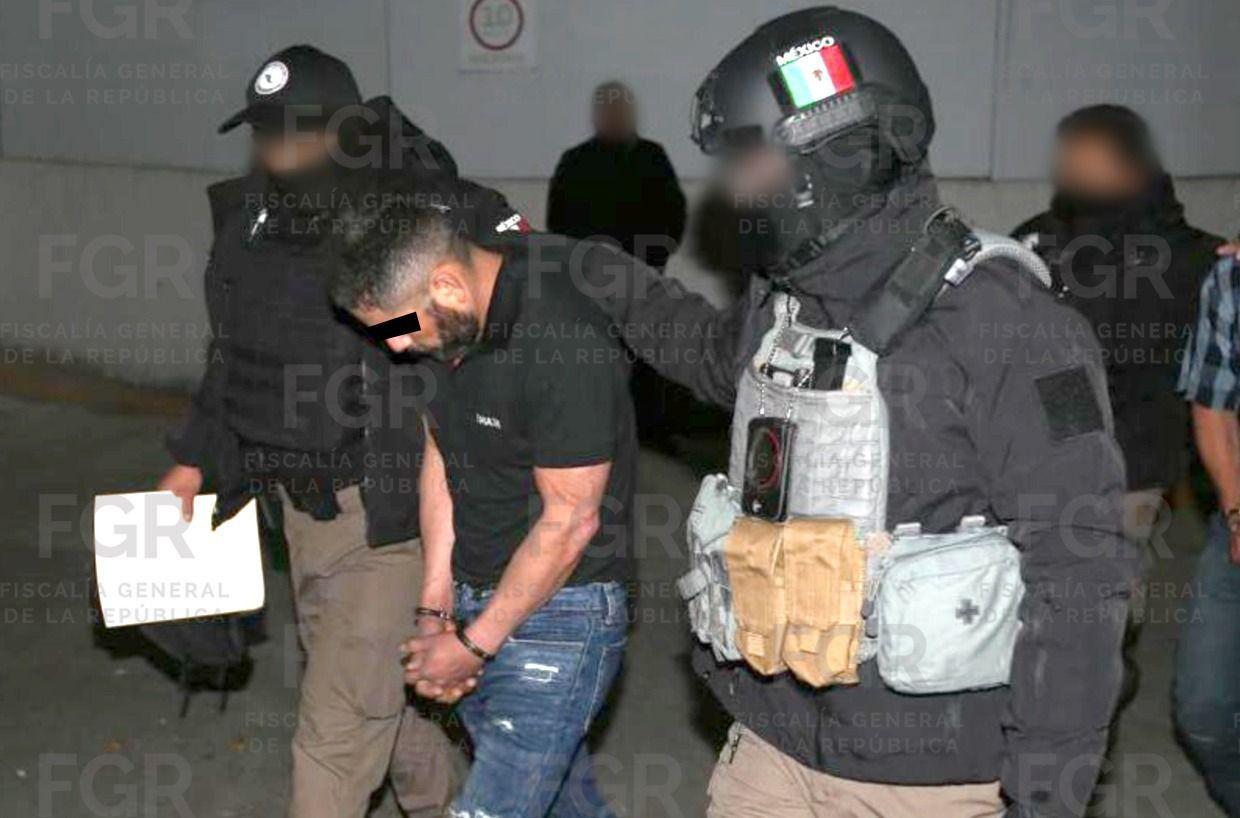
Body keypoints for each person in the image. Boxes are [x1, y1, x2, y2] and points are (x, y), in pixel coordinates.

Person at [579, 8, 1140, 816]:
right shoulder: (787, 303)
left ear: (836, 155)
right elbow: (705, 354)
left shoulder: (1009, 325)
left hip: (926, 782)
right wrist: (588, 270)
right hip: (773, 745)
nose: (735, 188)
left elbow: (1081, 571)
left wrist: (1046, 792)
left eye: (752, 159)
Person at [156, 44, 520, 818]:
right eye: (265, 133)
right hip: (297, 515)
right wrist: (191, 461)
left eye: (294, 133)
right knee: (393, 708)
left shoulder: (407, 216)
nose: (276, 150)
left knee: (335, 738)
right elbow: (232, 354)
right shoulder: (257, 221)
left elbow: (494, 309)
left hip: (385, 518)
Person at [331, 204, 636, 817]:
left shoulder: (561, 339)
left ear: (447, 285)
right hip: (475, 596)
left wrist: (473, 647)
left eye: (399, 326)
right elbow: (443, 453)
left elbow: (571, 521)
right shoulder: (446, 326)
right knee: (562, 803)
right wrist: (435, 609)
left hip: (566, 610)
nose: (396, 345)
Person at [1014, 105, 1222, 551]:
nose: (1070, 169)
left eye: (1085, 158)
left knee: (1107, 577)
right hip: (1037, 460)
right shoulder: (1038, 241)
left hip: (1134, 465)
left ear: (1131, 168)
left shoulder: (1191, 258)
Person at [1174, 253, 1240, 815]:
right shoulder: (1231, 277)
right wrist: (1236, 512)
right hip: (1235, 524)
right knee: (1205, 709)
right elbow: (1213, 407)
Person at [547, 80, 687, 270]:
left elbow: (674, 212)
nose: (615, 116)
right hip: (588, 270)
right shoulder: (575, 161)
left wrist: (658, 255)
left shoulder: (652, 157)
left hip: (643, 269)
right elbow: (557, 221)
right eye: (608, 110)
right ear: (596, 116)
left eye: (620, 109)